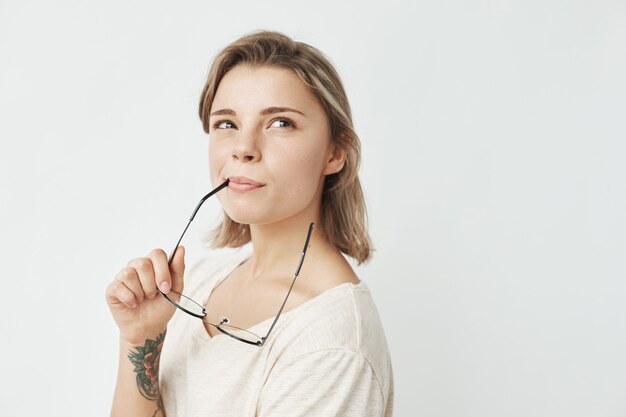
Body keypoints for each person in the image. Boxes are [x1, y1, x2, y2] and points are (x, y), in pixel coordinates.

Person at [105, 30, 394, 417]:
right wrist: (142, 337)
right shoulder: (199, 284)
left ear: (335, 152)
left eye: (280, 123)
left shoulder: (331, 344)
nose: (243, 147)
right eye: (226, 124)